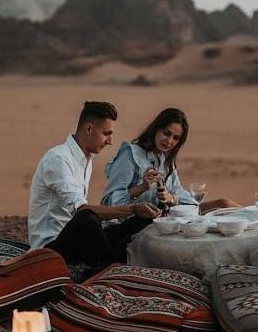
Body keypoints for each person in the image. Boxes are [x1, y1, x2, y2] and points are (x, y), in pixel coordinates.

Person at [28, 101, 160, 272]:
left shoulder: (86, 160)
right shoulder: (59, 159)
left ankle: (113, 266)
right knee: (88, 219)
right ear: (89, 129)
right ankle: (112, 271)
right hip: (50, 250)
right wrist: (133, 208)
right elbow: (82, 212)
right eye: (106, 134)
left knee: (140, 221)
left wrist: (136, 213)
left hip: (76, 241)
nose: (110, 141)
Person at [101, 107, 241, 213]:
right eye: (166, 133)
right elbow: (107, 204)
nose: (169, 141)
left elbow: (178, 193)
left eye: (175, 138)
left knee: (225, 204)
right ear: (156, 129)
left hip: (167, 218)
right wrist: (142, 187)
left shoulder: (165, 158)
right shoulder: (130, 154)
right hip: (133, 225)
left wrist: (171, 198)